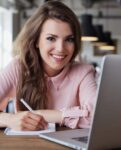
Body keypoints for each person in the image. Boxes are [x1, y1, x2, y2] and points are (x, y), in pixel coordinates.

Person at [0, 0, 97, 131]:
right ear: (36, 41)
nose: (61, 48)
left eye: (69, 39)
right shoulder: (18, 67)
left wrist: (43, 115)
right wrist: (10, 119)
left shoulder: (84, 72)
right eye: (51, 38)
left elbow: (97, 118)